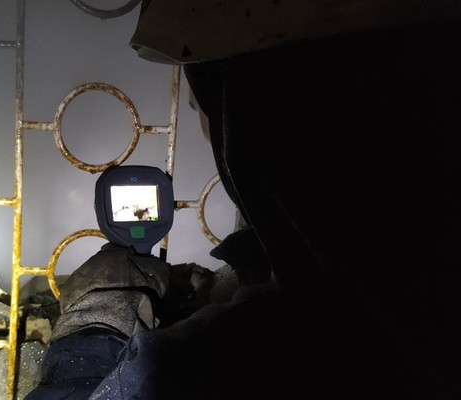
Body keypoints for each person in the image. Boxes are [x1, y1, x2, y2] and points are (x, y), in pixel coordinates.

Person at [25, 1, 461, 399]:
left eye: (201, 105)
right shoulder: (410, 282)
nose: (203, 124)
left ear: (247, 113)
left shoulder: (249, 352)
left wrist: (96, 319)